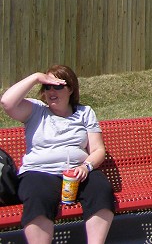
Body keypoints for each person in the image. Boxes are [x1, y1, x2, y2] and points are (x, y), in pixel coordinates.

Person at [0, 65, 114, 244]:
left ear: (70, 89)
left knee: (100, 189)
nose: (52, 91)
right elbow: (7, 102)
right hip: (39, 172)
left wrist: (86, 167)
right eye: (47, 86)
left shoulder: (85, 113)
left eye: (58, 86)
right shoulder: (35, 110)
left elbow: (98, 150)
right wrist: (37, 77)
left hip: (77, 173)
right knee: (39, 195)